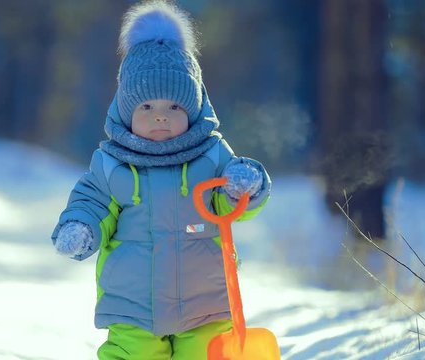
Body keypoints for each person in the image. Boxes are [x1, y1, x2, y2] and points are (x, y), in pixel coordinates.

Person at [51, 1, 271, 358]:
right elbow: (92, 203)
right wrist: (82, 227)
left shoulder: (211, 155)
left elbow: (227, 202)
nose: (160, 118)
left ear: (195, 107)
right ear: (125, 110)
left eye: (174, 107)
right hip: (133, 306)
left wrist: (243, 186)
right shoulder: (111, 164)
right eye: (146, 107)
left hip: (205, 304)